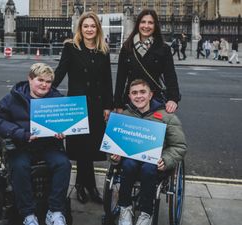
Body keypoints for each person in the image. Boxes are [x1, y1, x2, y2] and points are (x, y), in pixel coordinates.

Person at [0, 63, 71, 225]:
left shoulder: (57, 99)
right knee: (20, 166)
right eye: (40, 80)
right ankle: (28, 214)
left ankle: (55, 211)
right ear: (30, 79)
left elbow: (66, 123)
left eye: (48, 82)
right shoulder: (13, 98)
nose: (44, 85)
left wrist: (63, 130)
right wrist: (21, 134)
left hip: (48, 145)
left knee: (64, 164)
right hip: (21, 145)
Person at [53, 11, 113, 204]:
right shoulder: (71, 47)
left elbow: (107, 81)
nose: (89, 29)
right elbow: (61, 71)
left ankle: (85, 185)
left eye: (93, 26)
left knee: (90, 148)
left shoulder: (103, 49)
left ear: (98, 29)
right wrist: (45, 88)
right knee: (81, 149)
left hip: (96, 106)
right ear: (80, 28)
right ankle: (87, 186)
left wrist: (108, 106)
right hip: (77, 106)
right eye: (86, 26)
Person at [110, 79, 187, 225]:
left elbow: (179, 145)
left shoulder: (166, 116)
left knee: (148, 168)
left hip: (154, 163)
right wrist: (114, 157)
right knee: (128, 165)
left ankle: (146, 213)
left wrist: (166, 160)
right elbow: (112, 145)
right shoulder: (124, 116)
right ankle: (125, 208)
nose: (138, 96)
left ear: (150, 95)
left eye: (142, 92)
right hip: (130, 162)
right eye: (134, 93)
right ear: (129, 96)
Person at [114, 9, 181, 114]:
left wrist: (173, 99)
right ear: (138, 24)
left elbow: (170, 76)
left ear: (155, 26)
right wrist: (118, 104)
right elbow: (120, 78)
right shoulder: (127, 48)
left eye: (150, 23)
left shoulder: (163, 49)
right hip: (131, 102)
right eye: (143, 22)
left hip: (155, 102)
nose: (146, 26)